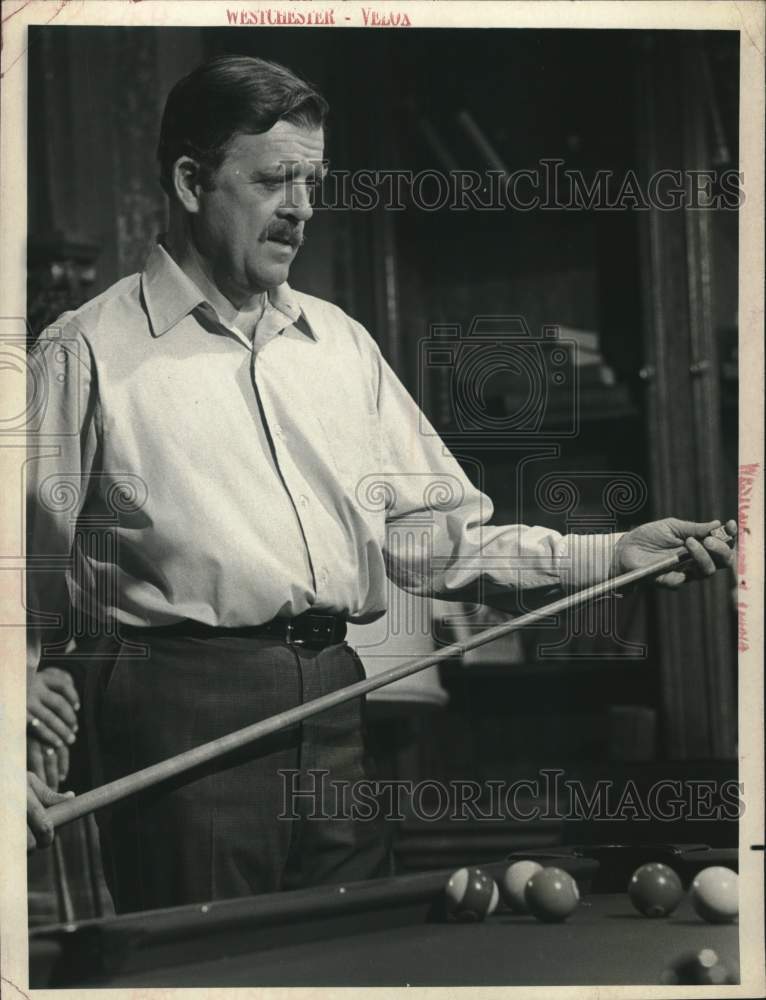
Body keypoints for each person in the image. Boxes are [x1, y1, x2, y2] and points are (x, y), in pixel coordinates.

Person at [26, 55, 736, 913]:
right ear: (189, 180)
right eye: (275, 179)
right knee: (207, 970)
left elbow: (444, 543)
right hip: (181, 714)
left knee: (345, 953)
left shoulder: (342, 346)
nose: (302, 207)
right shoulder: (87, 351)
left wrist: (613, 552)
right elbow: (19, 570)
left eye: (313, 181)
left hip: (336, 699)